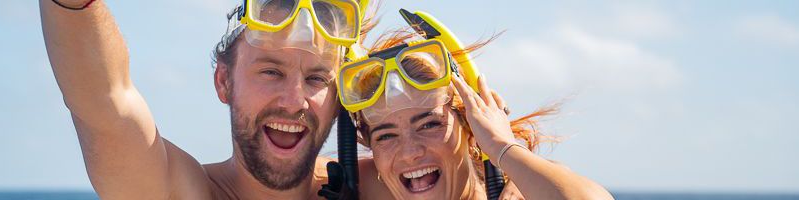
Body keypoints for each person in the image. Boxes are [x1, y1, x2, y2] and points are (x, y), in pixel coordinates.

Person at [40, 0, 371, 199]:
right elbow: (106, 103)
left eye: (316, 79)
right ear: (224, 81)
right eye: (271, 72)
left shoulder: (380, 185)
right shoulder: (182, 192)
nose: (293, 100)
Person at [336, 11, 615, 199]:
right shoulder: (366, 182)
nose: (410, 153)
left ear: (472, 129)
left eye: (430, 124)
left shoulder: (529, 188)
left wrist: (502, 148)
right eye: (386, 135)